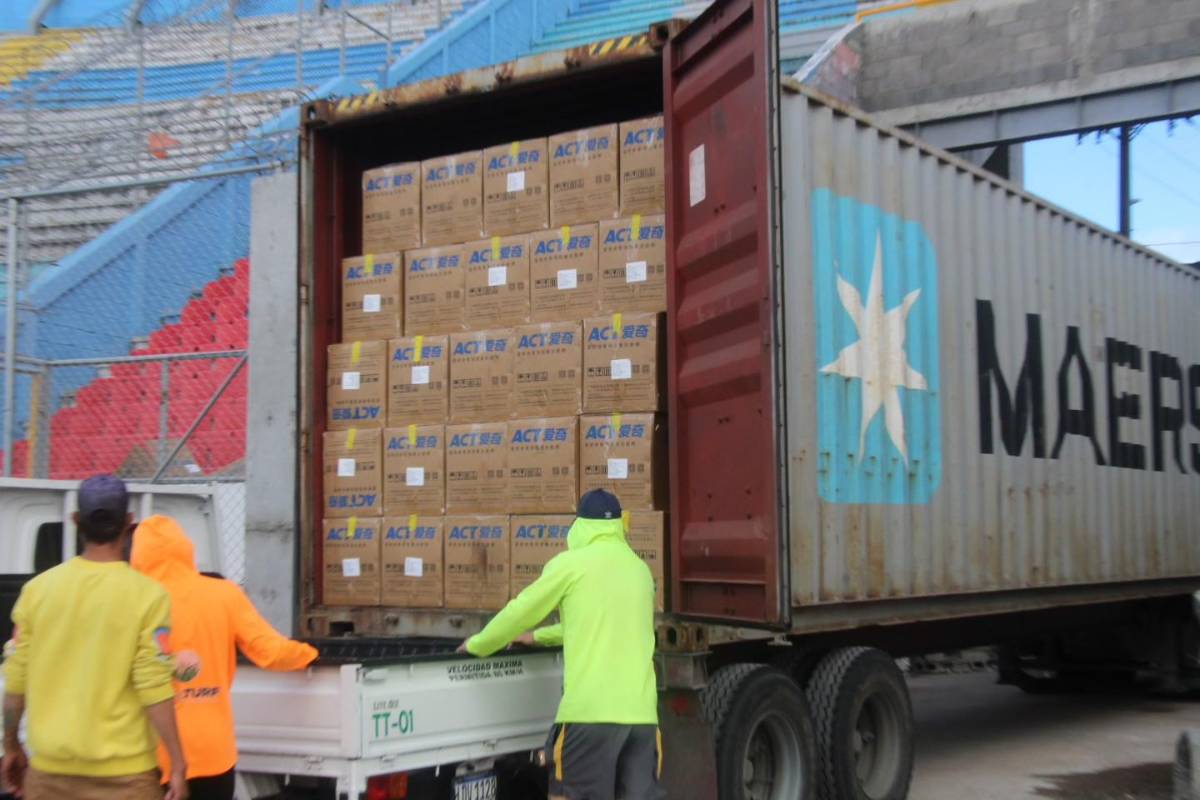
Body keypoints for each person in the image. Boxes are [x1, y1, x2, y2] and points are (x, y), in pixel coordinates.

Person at [458, 489, 662, 800]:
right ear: (619, 525)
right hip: (643, 721)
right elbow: (601, 625)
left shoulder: (571, 565)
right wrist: (539, 637)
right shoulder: (640, 571)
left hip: (590, 719)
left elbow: (520, 611)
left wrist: (478, 644)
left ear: (579, 525)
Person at [1, 475, 189, 800]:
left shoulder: (37, 591)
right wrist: (178, 763)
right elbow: (153, 687)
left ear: (76, 521)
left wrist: (11, 745)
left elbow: (16, 682)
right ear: (129, 523)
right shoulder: (148, 596)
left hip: (49, 775)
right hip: (127, 780)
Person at [130, 515, 318, 800]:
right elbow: (269, 651)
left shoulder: (134, 601)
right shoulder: (223, 594)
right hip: (213, 752)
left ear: (138, 556)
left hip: (151, 751)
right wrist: (308, 654)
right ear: (186, 549)